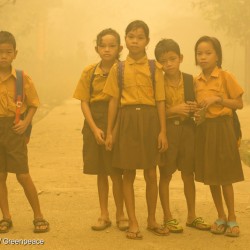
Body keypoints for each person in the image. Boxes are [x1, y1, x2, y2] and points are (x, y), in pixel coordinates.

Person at [103, 20, 168, 240]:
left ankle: (152, 219)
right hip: (127, 120)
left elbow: (160, 101)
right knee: (127, 173)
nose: (135, 41)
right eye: (131, 36)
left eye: (140, 37)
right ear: (126, 40)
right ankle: (133, 222)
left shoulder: (154, 68)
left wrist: (163, 132)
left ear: (147, 41)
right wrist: (110, 132)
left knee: (151, 173)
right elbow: (113, 101)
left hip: (150, 121)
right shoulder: (118, 68)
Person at [73, 28, 128, 231]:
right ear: (97, 48)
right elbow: (84, 102)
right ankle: (104, 214)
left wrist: (112, 129)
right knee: (100, 172)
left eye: (112, 46)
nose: (107, 50)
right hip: (94, 123)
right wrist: (95, 129)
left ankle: (120, 213)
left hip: (117, 123)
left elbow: (125, 101)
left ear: (119, 48)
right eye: (103, 46)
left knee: (116, 172)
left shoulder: (123, 70)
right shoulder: (89, 72)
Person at [155, 39, 210, 233]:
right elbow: (154, 111)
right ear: (158, 64)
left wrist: (197, 111)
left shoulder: (190, 80)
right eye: (163, 61)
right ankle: (168, 216)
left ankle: (191, 215)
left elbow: (200, 111)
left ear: (181, 58)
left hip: (188, 131)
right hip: (167, 130)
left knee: (188, 174)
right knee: (166, 174)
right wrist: (174, 110)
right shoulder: (157, 82)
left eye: (172, 59)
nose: (168, 63)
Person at [194, 36, 244, 237]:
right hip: (205, 129)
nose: (203, 57)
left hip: (223, 128)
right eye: (199, 53)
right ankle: (221, 216)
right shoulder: (195, 82)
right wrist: (197, 113)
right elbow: (197, 110)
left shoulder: (225, 77)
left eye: (208, 53)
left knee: (225, 175)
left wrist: (218, 99)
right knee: (212, 175)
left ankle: (232, 217)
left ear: (217, 55)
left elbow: (239, 104)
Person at [0, 31, 49, 233]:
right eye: (0, 52)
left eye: (8, 52)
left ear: (15, 54)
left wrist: (25, 122)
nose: (3, 56)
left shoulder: (22, 78)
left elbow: (33, 104)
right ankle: (6, 217)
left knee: (22, 175)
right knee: (0, 175)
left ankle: (38, 215)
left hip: (14, 129)